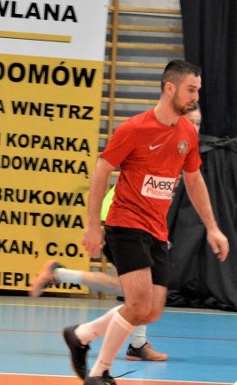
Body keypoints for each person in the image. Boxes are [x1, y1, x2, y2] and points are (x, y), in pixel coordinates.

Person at [36, 60, 228, 385]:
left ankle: (80, 335)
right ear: (170, 88)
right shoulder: (135, 129)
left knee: (151, 310)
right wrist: (93, 224)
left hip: (157, 229)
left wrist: (213, 227)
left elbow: (194, 179)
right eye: (191, 90)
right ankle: (100, 373)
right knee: (138, 303)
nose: (196, 96)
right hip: (126, 223)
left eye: (198, 90)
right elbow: (101, 170)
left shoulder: (186, 133)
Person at [30, 106, 203, 363]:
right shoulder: (151, 133)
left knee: (141, 291)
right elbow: (112, 179)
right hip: (121, 218)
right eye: (190, 122)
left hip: (144, 224)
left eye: (198, 124)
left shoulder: (182, 146)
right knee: (136, 290)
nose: (194, 129)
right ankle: (112, 345)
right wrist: (96, 226)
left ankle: (61, 276)